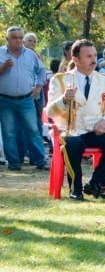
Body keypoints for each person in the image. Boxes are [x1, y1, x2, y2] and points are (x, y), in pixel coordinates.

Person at [45, 39, 105, 199]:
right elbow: (50, 112)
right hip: (72, 130)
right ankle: (76, 189)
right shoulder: (60, 80)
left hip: (96, 129)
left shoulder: (104, 80)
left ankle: (96, 184)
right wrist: (63, 100)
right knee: (74, 144)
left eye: (95, 55)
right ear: (75, 59)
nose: (94, 59)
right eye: (88, 56)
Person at [0, 26, 49, 171]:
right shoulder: (0, 53)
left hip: (27, 99)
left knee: (33, 130)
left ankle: (40, 161)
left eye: (20, 38)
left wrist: (39, 87)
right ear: (7, 39)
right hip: (5, 100)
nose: (18, 41)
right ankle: (14, 163)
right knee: (9, 132)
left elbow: (41, 71)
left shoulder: (30, 54)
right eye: (14, 38)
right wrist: (3, 68)